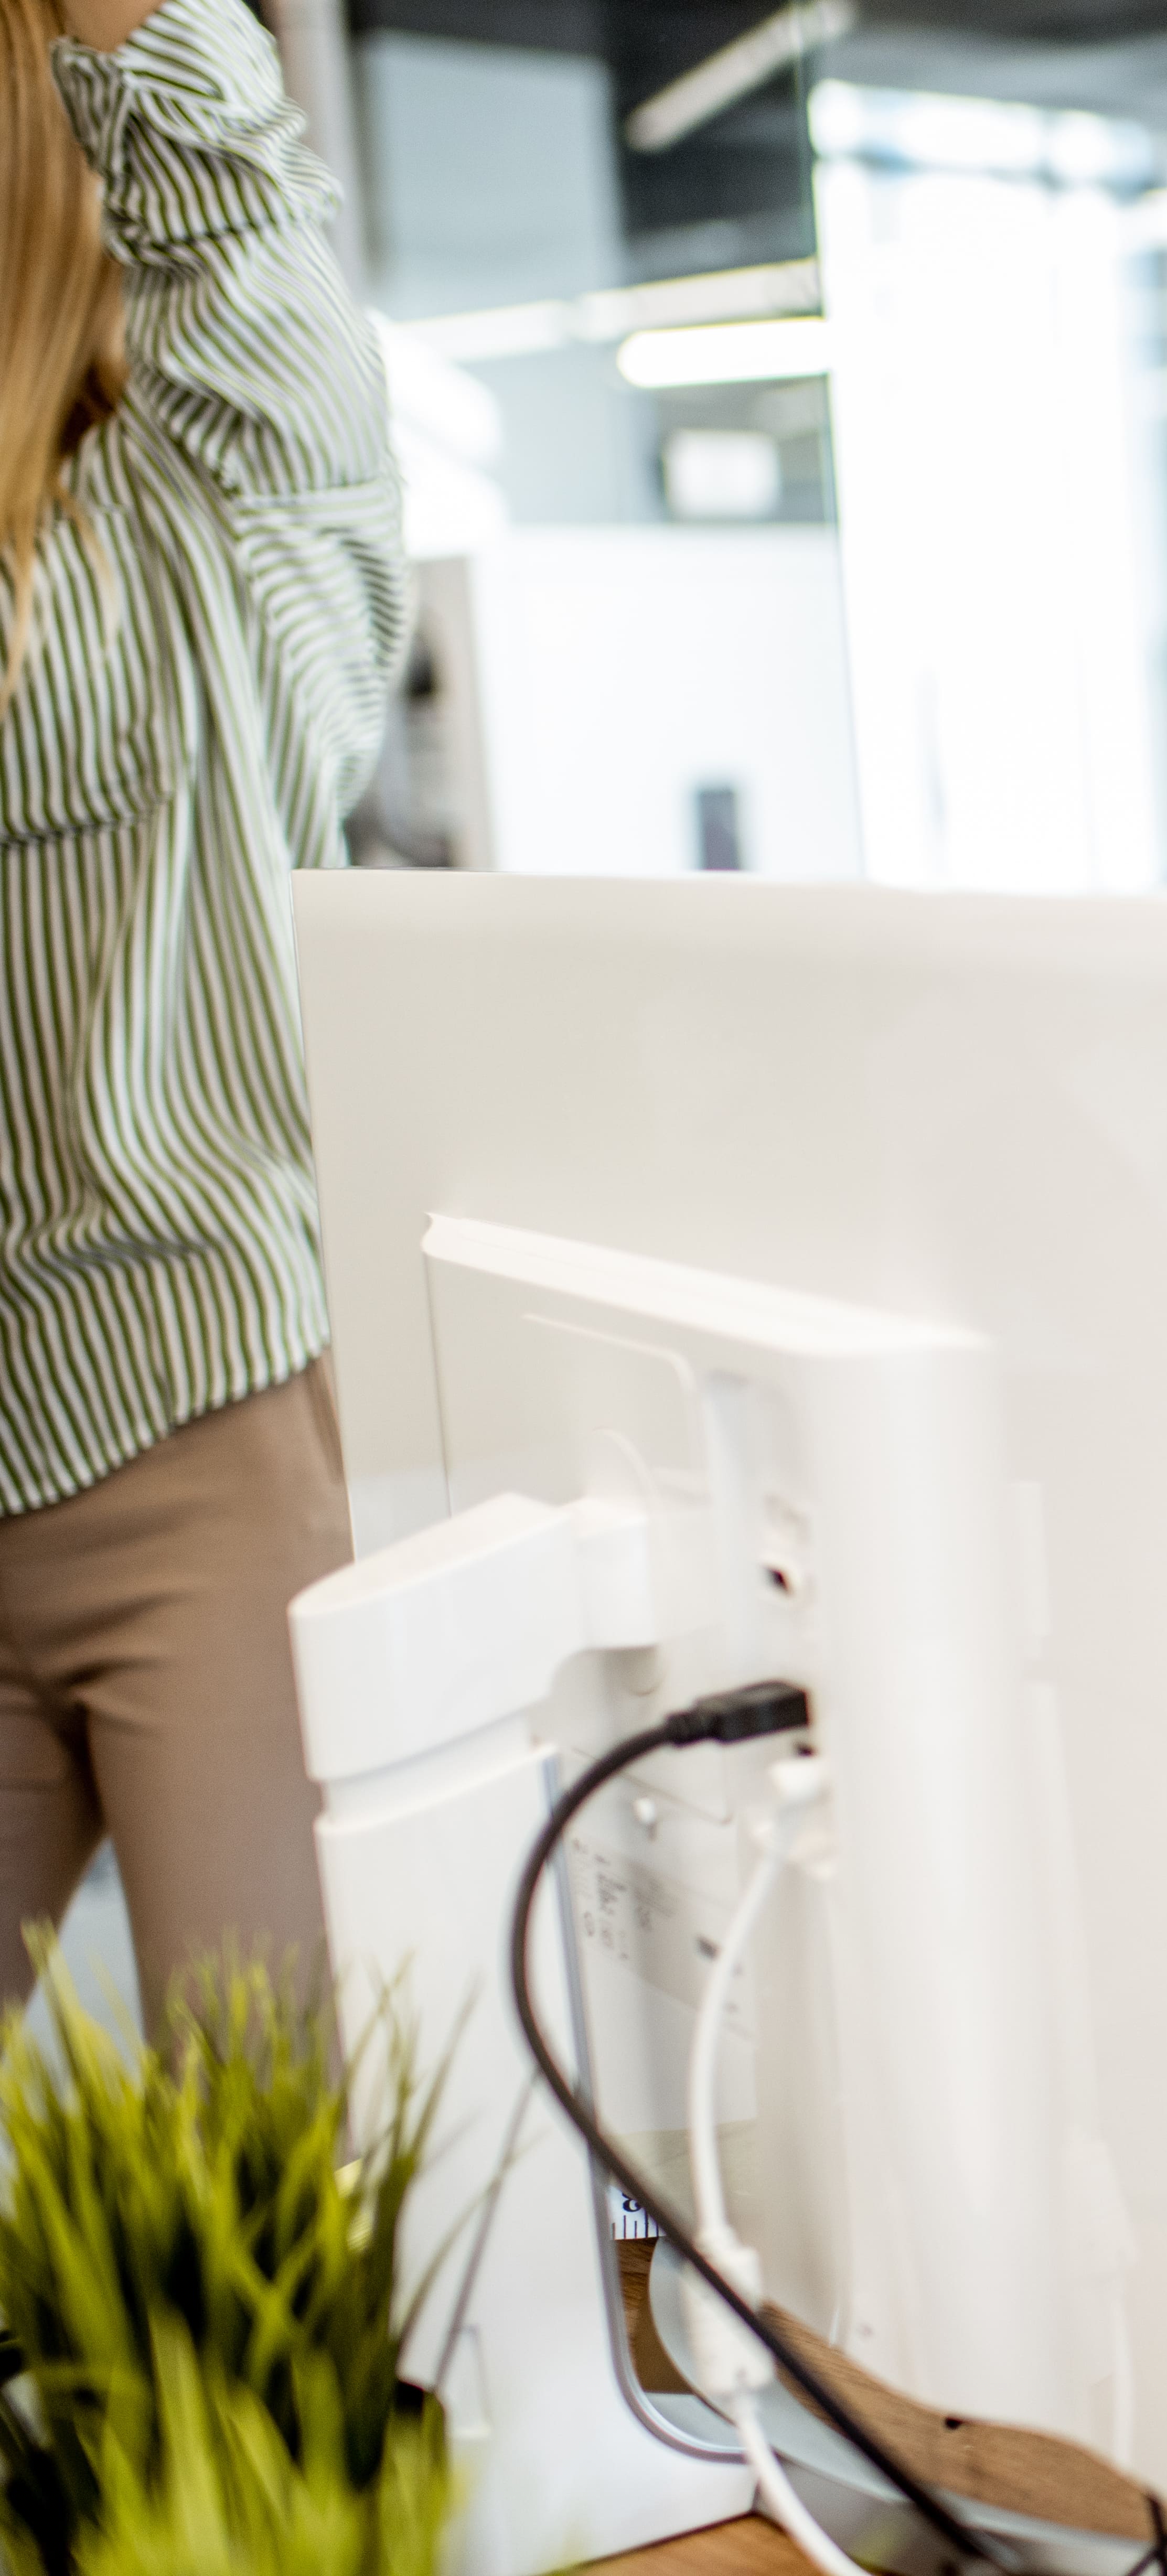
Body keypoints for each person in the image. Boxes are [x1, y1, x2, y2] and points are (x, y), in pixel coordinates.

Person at [0, 0, 402, 2013]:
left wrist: (118, 44)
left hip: (192, 1403)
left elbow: (237, 218)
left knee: (294, 2165)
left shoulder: (205, 526)